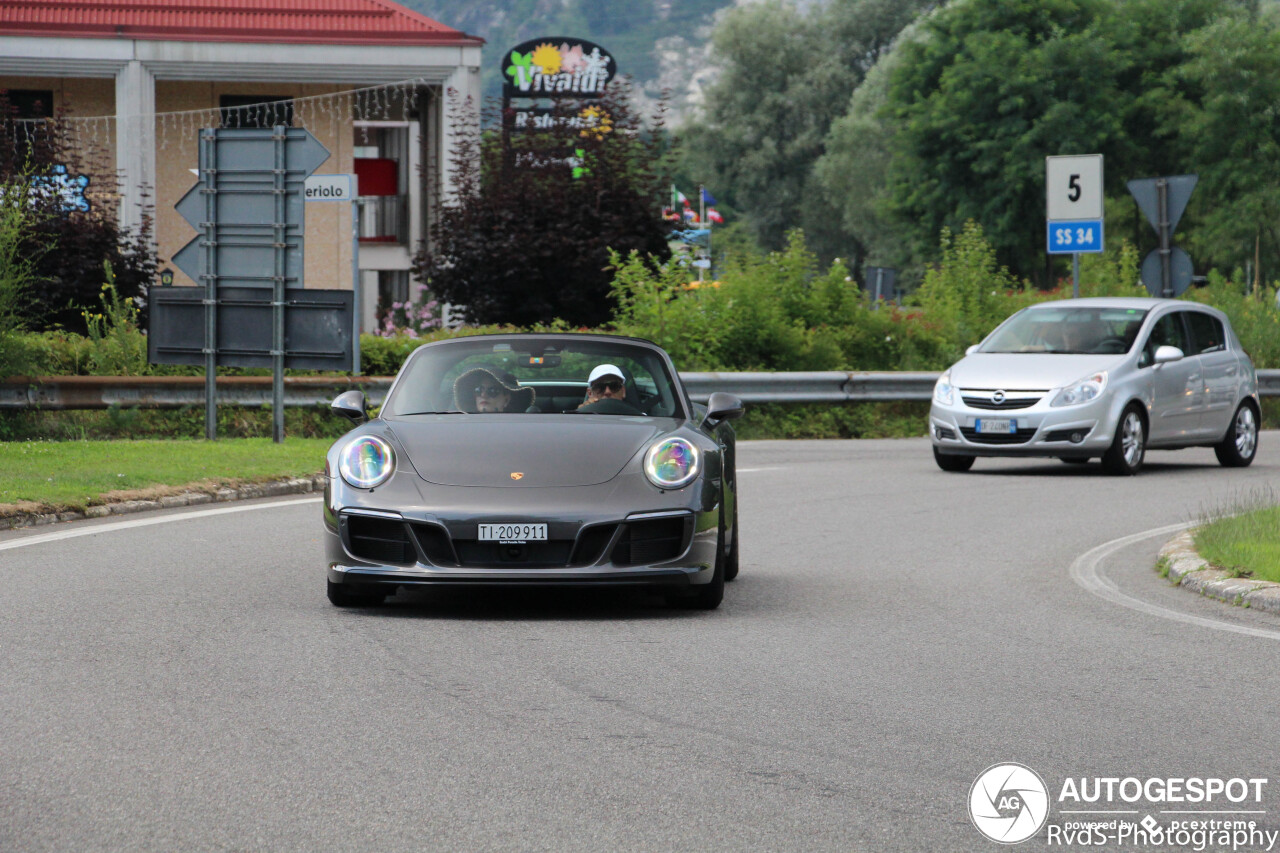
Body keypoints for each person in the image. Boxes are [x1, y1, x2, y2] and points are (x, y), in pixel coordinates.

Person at [453, 367, 535, 413]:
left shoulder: (518, 426)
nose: (483, 395)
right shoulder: (461, 425)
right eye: (479, 390)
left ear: (506, 399)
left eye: (492, 391)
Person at [577, 363, 642, 414]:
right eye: (600, 387)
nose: (607, 392)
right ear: (590, 393)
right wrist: (581, 413)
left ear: (623, 391)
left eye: (614, 386)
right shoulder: (580, 418)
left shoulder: (639, 418)